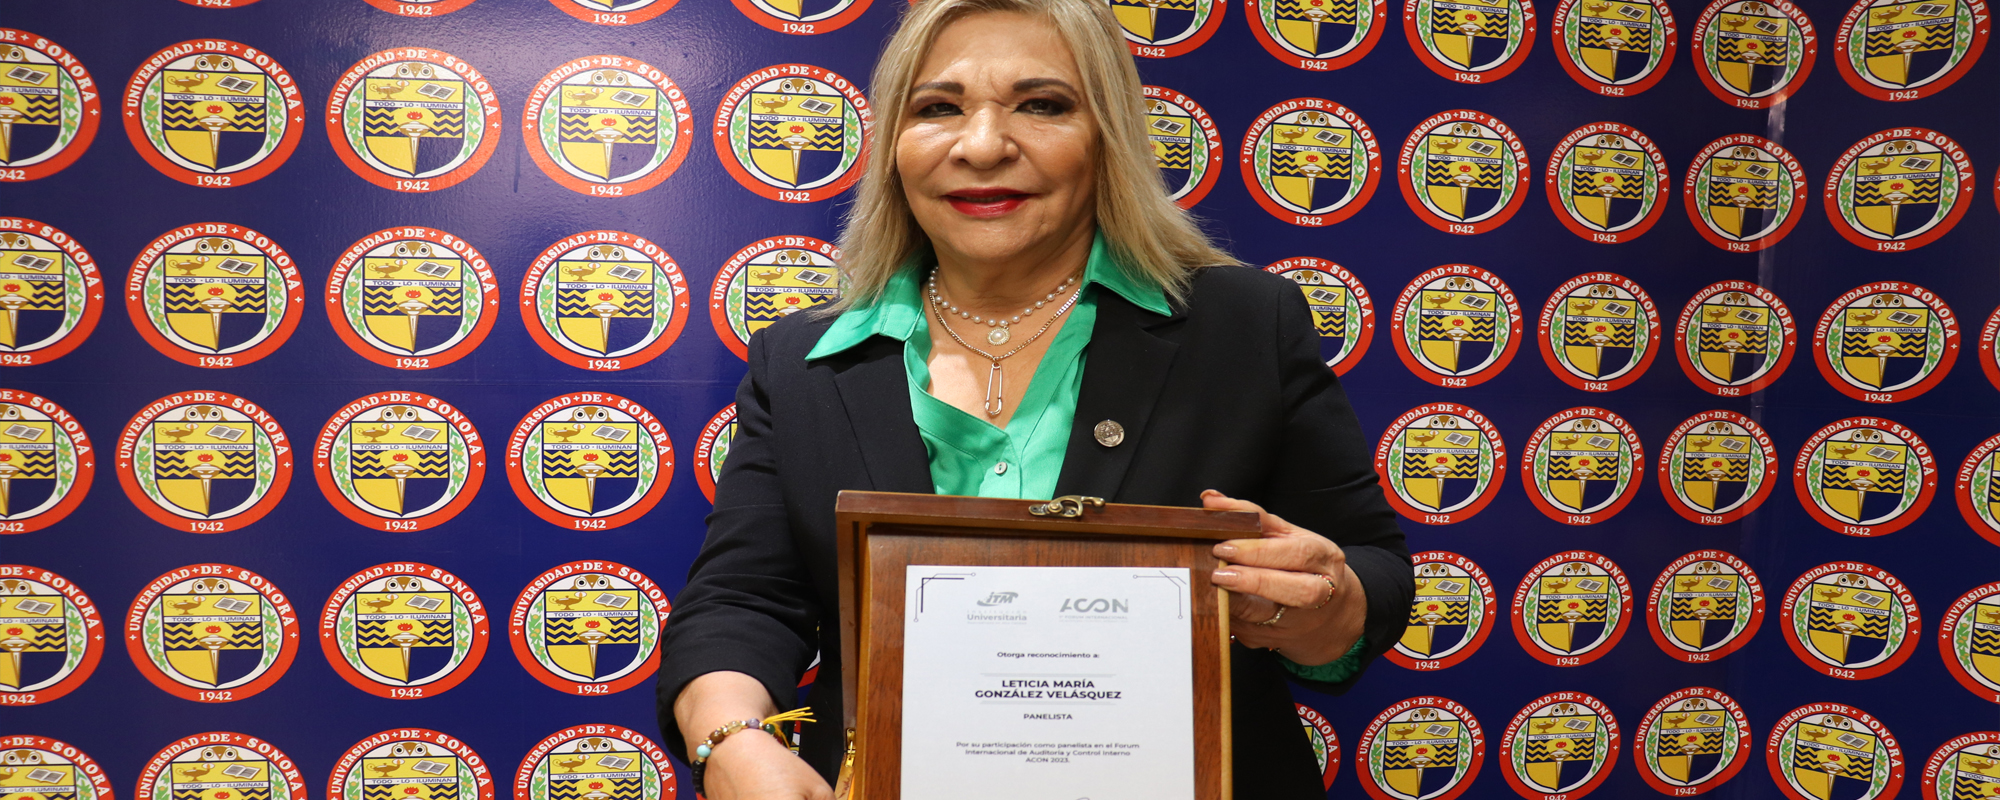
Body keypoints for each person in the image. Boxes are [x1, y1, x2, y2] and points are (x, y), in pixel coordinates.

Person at [655, 0, 1413, 796]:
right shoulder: (801, 359)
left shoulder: (1245, 325)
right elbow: (743, 601)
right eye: (938, 108)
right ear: (894, 148)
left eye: (1042, 105)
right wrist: (733, 742)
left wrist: (1333, 604)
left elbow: (1370, 567)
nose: (982, 146)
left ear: (1108, 136)